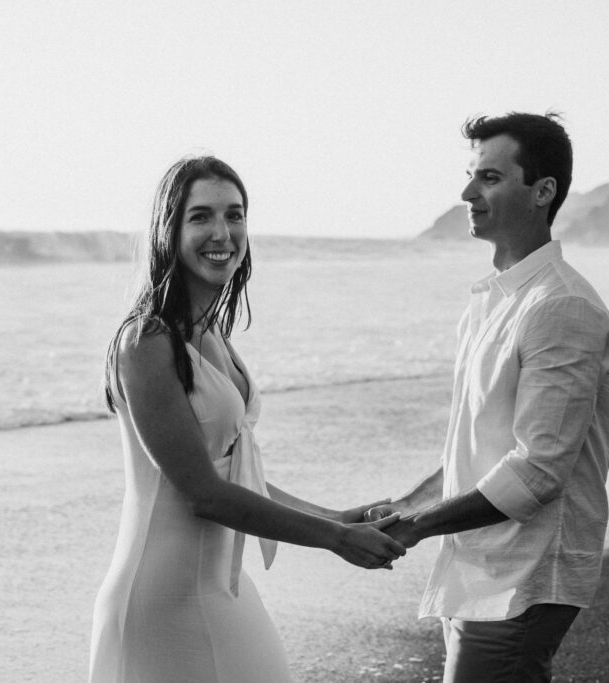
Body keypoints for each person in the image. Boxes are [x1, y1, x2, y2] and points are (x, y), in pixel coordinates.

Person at [89, 155, 406, 683]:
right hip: (162, 598)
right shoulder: (145, 342)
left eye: (235, 215)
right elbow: (203, 493)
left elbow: (238, 474)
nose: (223, 232)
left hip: (221, 586)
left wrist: (338, 517)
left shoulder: (211, 333)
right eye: (201, 217)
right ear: (167, 229)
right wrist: (332, 539)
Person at [367, 112, 609, 682]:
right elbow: (479, 446)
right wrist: (407, 506)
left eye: (489, 178)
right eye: (471, 176)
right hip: (478, 563)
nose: (467, 193)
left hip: (523, 573)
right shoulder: (492, 302)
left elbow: (537, 472)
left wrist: (419, 526)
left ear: (543, 191)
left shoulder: (561, 306)